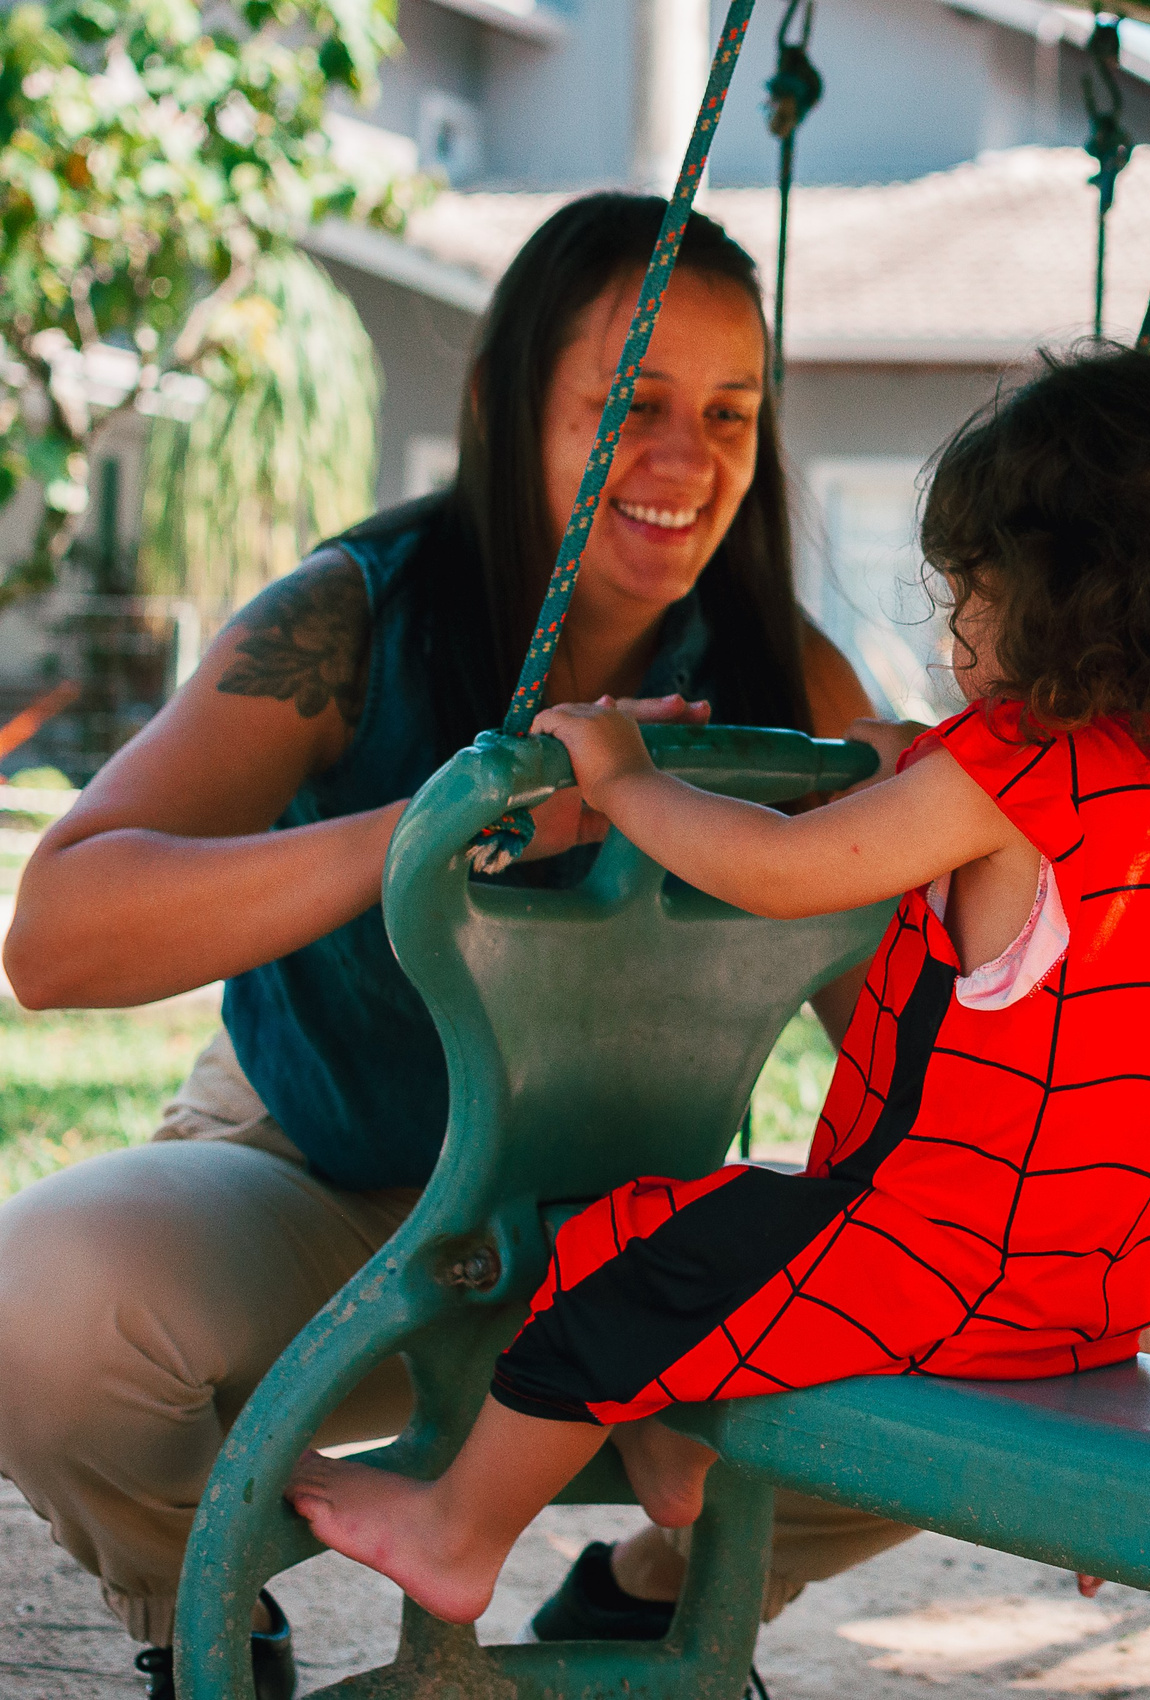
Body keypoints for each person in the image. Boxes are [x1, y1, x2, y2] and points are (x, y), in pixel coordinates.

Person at [282, 344, 1150, 1627]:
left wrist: (628, 778)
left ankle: (457, 1526)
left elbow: (784, 870)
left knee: (624, 1249)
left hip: (940, 1265)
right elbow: (1009, 854)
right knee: (711, 1236)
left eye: (968, 588)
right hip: (1089, 1296)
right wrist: (899, 759)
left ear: (1054, 594)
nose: (954, 622)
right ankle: (672, 1446)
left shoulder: (1014, 770)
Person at [0, 195, 921, 1698]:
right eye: (631, 402)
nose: (687, 459)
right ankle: (209, 1603)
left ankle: (647, 1594)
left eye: (730, 411)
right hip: (312, 1189)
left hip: (623, 1250)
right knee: (42, 1304)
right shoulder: (358, 618)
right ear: (502, 409)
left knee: (982, 1374)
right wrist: (446, 828)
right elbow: (56, 934)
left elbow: (887, 1026)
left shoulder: (778, 677)